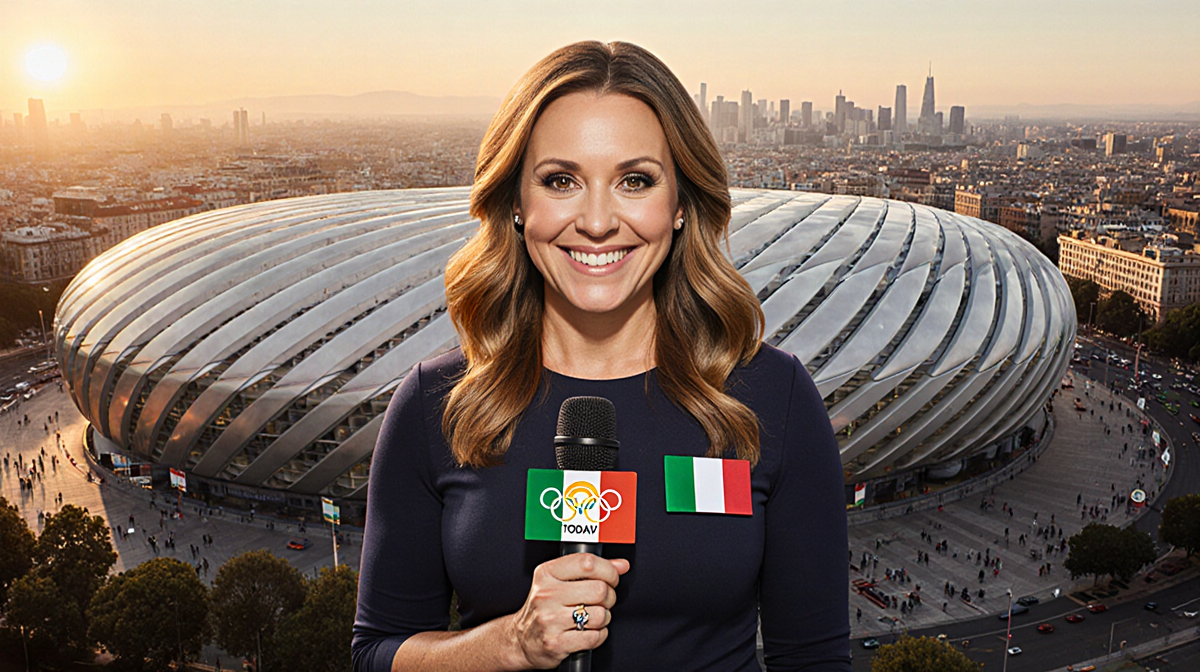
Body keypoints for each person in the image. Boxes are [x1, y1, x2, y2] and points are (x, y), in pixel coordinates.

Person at [352, 41, 849, 671]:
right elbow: (376, 654)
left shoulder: (768, 398)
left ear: (679, 206)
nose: (595, 221)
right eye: (561, 181)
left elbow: (815, 660)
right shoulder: (438, 404)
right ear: (515, 204)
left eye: (634, 181)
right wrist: (512, 643)